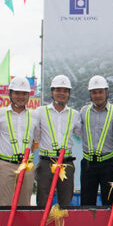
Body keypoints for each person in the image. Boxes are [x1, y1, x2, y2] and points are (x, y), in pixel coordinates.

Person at [35, 74, 80, 207]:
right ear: (52, 92)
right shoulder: (40, 112)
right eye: (58, 90)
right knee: (43, 200)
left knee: (65, 200)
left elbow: (80, 134)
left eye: (65, 91)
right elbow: (36, 134)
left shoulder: (74, 114)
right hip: (46, 162)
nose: (62, 93)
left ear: (69, 93)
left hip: (66, 163)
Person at [0, 76, 38, 206]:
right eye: (17, 93)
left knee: (24, 204)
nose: (20, 96)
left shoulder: (34, 116)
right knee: (4, 204)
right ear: (10, 94)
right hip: (6, 165)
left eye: (24, 93)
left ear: (28, 95)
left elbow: (37, 137)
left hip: (27, 165)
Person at [80, 75, 113, 206]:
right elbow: (79, 132)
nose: (97, 95)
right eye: (94, 92)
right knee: (87, 202)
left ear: (106, 92)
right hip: (88, 164)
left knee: (109, 201)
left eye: (100, 92)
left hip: (109, 164)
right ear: (90, 94)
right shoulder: (83, 112)